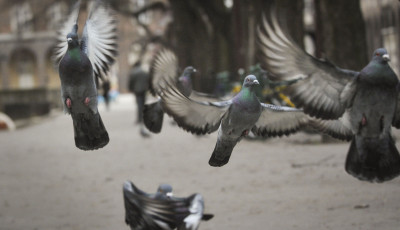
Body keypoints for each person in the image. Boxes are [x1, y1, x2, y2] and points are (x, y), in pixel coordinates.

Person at [128, 61, 151, 137]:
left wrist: (130, 89)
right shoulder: (144, 72)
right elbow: (149, 80)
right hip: (144, 90)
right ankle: (143, 117)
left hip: (137, 90)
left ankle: (139, 118)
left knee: (139, 104)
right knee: (143, 104)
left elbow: (131, 81)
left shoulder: (133, 72)